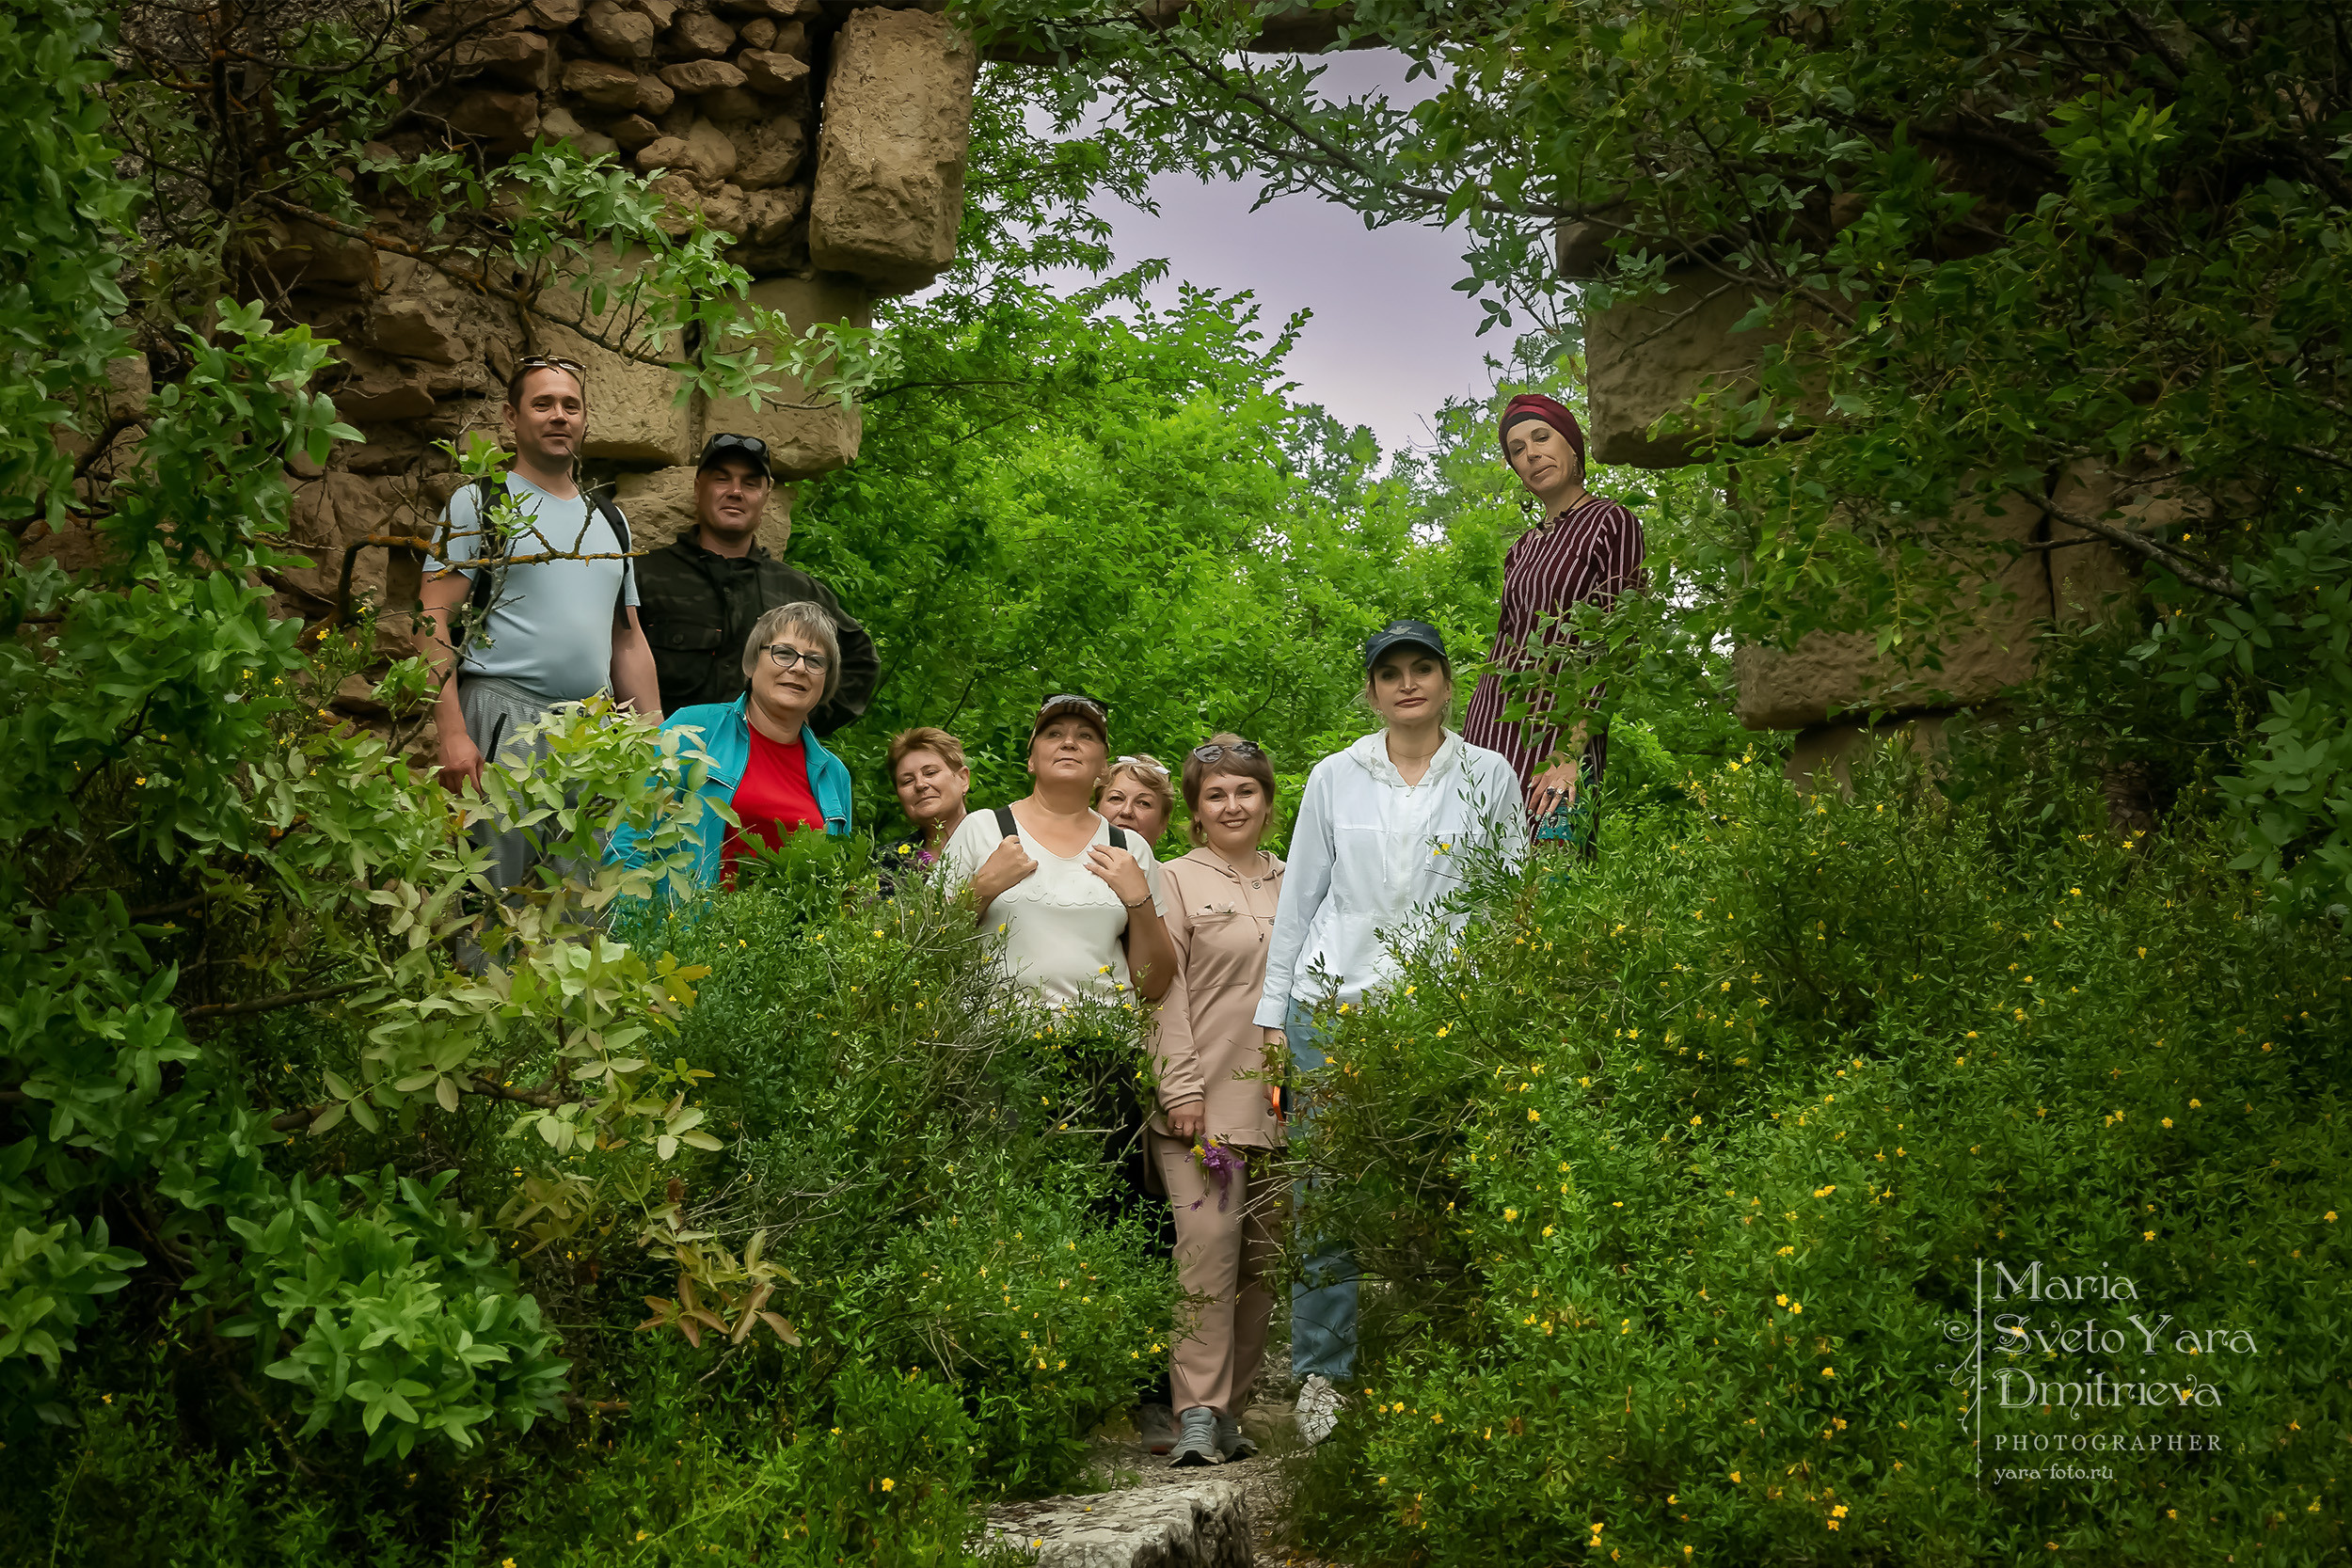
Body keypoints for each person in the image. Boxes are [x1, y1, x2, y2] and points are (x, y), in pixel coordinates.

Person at [1253, 620, 1528, 1444]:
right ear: (1372, 690)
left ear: (1449, 683)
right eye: (1391, 672)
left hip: (1446, 1009)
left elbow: (1513, 898)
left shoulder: (1489, 774)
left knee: (1450, 1182)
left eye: (1423, 668)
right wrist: (1273, 1016)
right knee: (1327, 1190)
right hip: (1334, 1004)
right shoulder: (1337, 776)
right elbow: (1300, 897)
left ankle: (1447, 1360)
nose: (1407, 683)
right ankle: (1323, 1379)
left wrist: (1507, 1008)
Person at [421, 356, 662, 896]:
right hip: (502, 720)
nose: (559, 416)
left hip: (592, 739)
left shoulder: (609, 518)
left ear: (584, 419)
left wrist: (655, 738)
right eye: (543, 404)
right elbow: (430, 615)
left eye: (570, 405)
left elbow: (627, 637)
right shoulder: (481, 503)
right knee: (489, 908)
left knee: (578, 917)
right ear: (511, 416)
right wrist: (453, 734)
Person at [1149, 735, 1287, 1467]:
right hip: (1201, 1108)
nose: (1232, 804)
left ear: (1267, 802)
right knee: (1205, 1255)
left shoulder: (1296, 879)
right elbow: (1161, 990)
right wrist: (1181, 1089)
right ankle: (1196, 1412)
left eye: (1245, 791)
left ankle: (1233, 1411)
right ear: (1197, 813)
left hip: (1283, 1111)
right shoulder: (1172, 877)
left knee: (1264, 1265)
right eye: (1215, 794)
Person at [1459, 393, 1646, 845]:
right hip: (1490, 725)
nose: (1532, 454)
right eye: (1518, 450)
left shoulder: (1612, 522)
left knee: (1553, 866)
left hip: (1563, 733)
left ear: (1572, 446)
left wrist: (1570, 753)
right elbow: (1507, 643)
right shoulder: (1521, 549)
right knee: (1477, 865)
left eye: (1541, 437)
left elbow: (1617, 643)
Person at [633, 432, 880, 734]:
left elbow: (861, 661)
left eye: (750, 483)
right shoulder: (643, 576)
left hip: (762, 769)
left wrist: (797, 724)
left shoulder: (798, 592)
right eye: (722, 479)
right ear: (699, 489)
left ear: (766, 496)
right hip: (665, 766)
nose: (735, 492)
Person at [943, 695, 1176, 1006]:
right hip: (995, 1043)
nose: (1069, 743)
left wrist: (1140, 901)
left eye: (1085, 736)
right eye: (1053, 734)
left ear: (1104, 768)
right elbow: (927, 945)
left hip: (1105, 1044)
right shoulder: (981, 828)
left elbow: (1155, 985)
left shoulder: (1129, 848)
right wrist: (981, 889)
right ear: (1031, 760)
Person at [611, 602, 853, 890]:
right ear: (751, 664)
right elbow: (629, 844)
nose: (799, 668)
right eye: (784, 653)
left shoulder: (834, 775)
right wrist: (633, 927)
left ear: (826, 681)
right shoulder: (692, 730)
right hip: (686, 929)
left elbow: (835, 887)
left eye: (815, 661)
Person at [877, 726, 972, 894]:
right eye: (907, 781)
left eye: (930, 772)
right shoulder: (886, 862)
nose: (920, 785)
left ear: (963, 779)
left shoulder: (1001, 839)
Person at [1100, 753, 1175, 850]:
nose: (1126, 811)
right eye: (1116, 798)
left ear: (1163, 823)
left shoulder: (1172, 866)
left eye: (1143, 803)